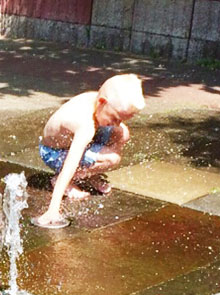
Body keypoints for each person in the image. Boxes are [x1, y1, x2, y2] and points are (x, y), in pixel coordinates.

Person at [33, 73, 144, 229]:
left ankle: (88, 174)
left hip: (73, 140)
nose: (117, 123)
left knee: (122, 133)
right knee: (112, 158)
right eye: (115, 118)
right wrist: (53, 209)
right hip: (54, 153)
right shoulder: (84, 124)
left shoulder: (96, 101)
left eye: (121, 119)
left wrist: (115, 123)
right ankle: (63, 180)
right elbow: (71, 161)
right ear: (102, 102)